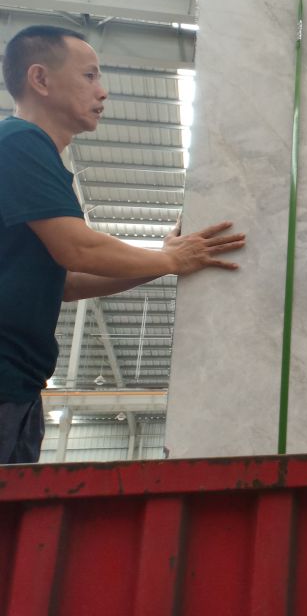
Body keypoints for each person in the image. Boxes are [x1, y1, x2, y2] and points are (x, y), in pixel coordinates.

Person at [0, 25, 245, 464]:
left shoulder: (30, 155)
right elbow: (79, 250)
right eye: (90, 75)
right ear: (40, 79)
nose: (103, 91)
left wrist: (165, 261)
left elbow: (68, 281)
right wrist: (170, 259)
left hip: (18, 384)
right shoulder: (20, 143)